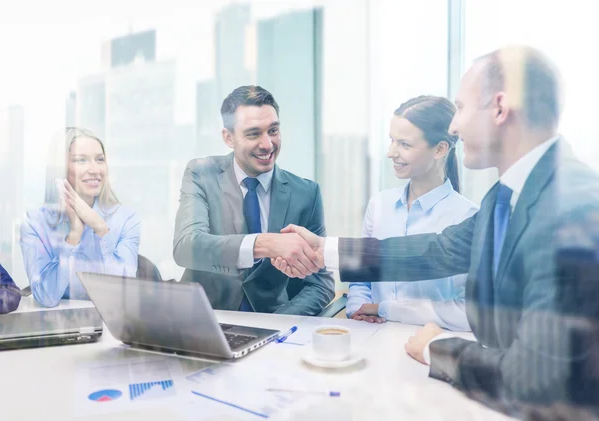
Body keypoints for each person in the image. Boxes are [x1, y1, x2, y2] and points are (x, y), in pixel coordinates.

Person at [272, 46, 599, 412]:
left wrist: (434, 345)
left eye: (461, 108)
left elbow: (533, 378)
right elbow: (439, 250)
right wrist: (323, 252)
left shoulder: (572, 206)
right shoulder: (506, 197)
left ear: (500, 107)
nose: (455, 126)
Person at [173, 85, 334, 315]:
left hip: (273, 328)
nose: (267, 144)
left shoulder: (306, 194)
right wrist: (265, 244)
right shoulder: (201, 174)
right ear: (228, 137)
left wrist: (278, 325)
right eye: (253, 133)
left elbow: (320, 284)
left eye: (273, 131)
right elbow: (186, 246)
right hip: (204, 320)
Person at [347, 95, 477, 330]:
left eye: (404, 144)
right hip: (370, 337)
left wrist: (386, 309)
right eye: (392, 141)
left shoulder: (467, 217)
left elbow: (467, 308)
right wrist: (359, 309)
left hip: (429, 345)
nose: (391, 153)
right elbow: (361, 278)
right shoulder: (379, 205)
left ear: (440, 149)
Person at [20, 127, 140, 308]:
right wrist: (74, 235)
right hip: (59, 327)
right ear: (60, 169)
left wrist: (100, 227)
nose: (95, 170)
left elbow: (123, 295)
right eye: (81, 160)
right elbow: (46, 296)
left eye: (99, 160)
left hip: (111, 328)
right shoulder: (35, 223)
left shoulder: (126, 219)